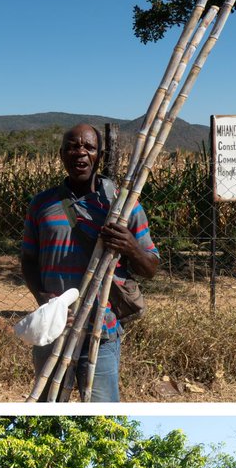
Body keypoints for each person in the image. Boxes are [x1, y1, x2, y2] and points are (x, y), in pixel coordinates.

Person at [21, 124, 160, 402]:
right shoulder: (41, 204)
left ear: (99, 154)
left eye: (88, 147)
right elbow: (28, 260)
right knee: (49, 407)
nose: (80, 152)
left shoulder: (123, 205)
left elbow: (151, 268)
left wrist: (130, 246)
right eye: (73, 146)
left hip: (102, 329)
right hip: (55, 327)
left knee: (101, 412)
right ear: (61, 154)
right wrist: (42, 297)